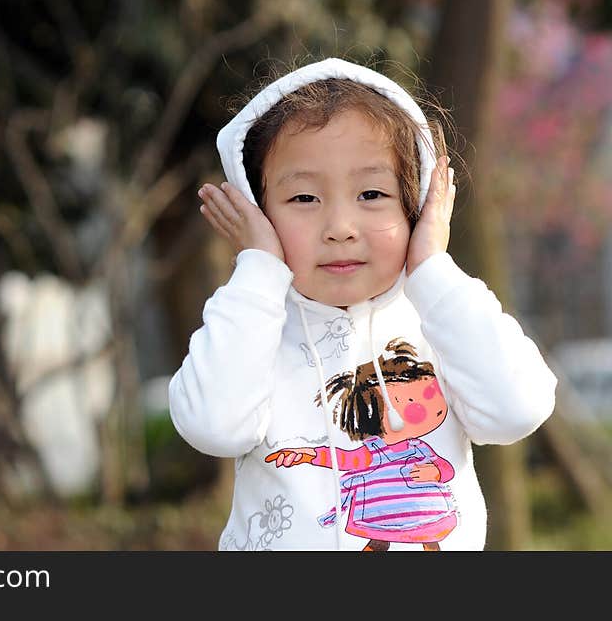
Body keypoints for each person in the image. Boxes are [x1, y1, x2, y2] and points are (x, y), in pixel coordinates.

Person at [167, 57, 557, 551]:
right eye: (304, 199)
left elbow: (517, 410)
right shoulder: (252, 329)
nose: (340, 227)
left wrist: (432, 269)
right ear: (256, 210)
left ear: (416, 203)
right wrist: (259, 268)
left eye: (372, 193)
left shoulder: (443, 322)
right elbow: (212, 426)